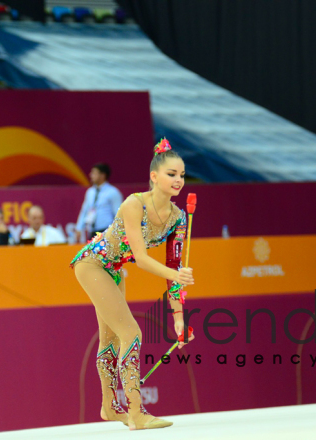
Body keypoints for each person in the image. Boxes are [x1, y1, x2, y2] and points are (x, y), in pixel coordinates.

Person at [69, 138, 195, 430]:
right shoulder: (133, 204)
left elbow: (173, 268)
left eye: (182, 175)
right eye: (171, 174)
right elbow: (140, 257)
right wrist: (176, 275)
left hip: (113, 270)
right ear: (154, 176)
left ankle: (109, 407)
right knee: (132, 332)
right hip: (92, 264)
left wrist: (178, 317)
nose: (178, 180)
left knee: (111, 338)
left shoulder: (179, 219)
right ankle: (136, 412)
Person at [75, 163, 123, 242]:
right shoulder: (90, 192)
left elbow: (118, 214)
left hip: (106, 231)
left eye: (94, 173)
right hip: (92, 231)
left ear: (102, 175)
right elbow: (85, 210)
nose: (91, 175)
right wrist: (79, 228)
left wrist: (118, 232)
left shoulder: (113, 192)